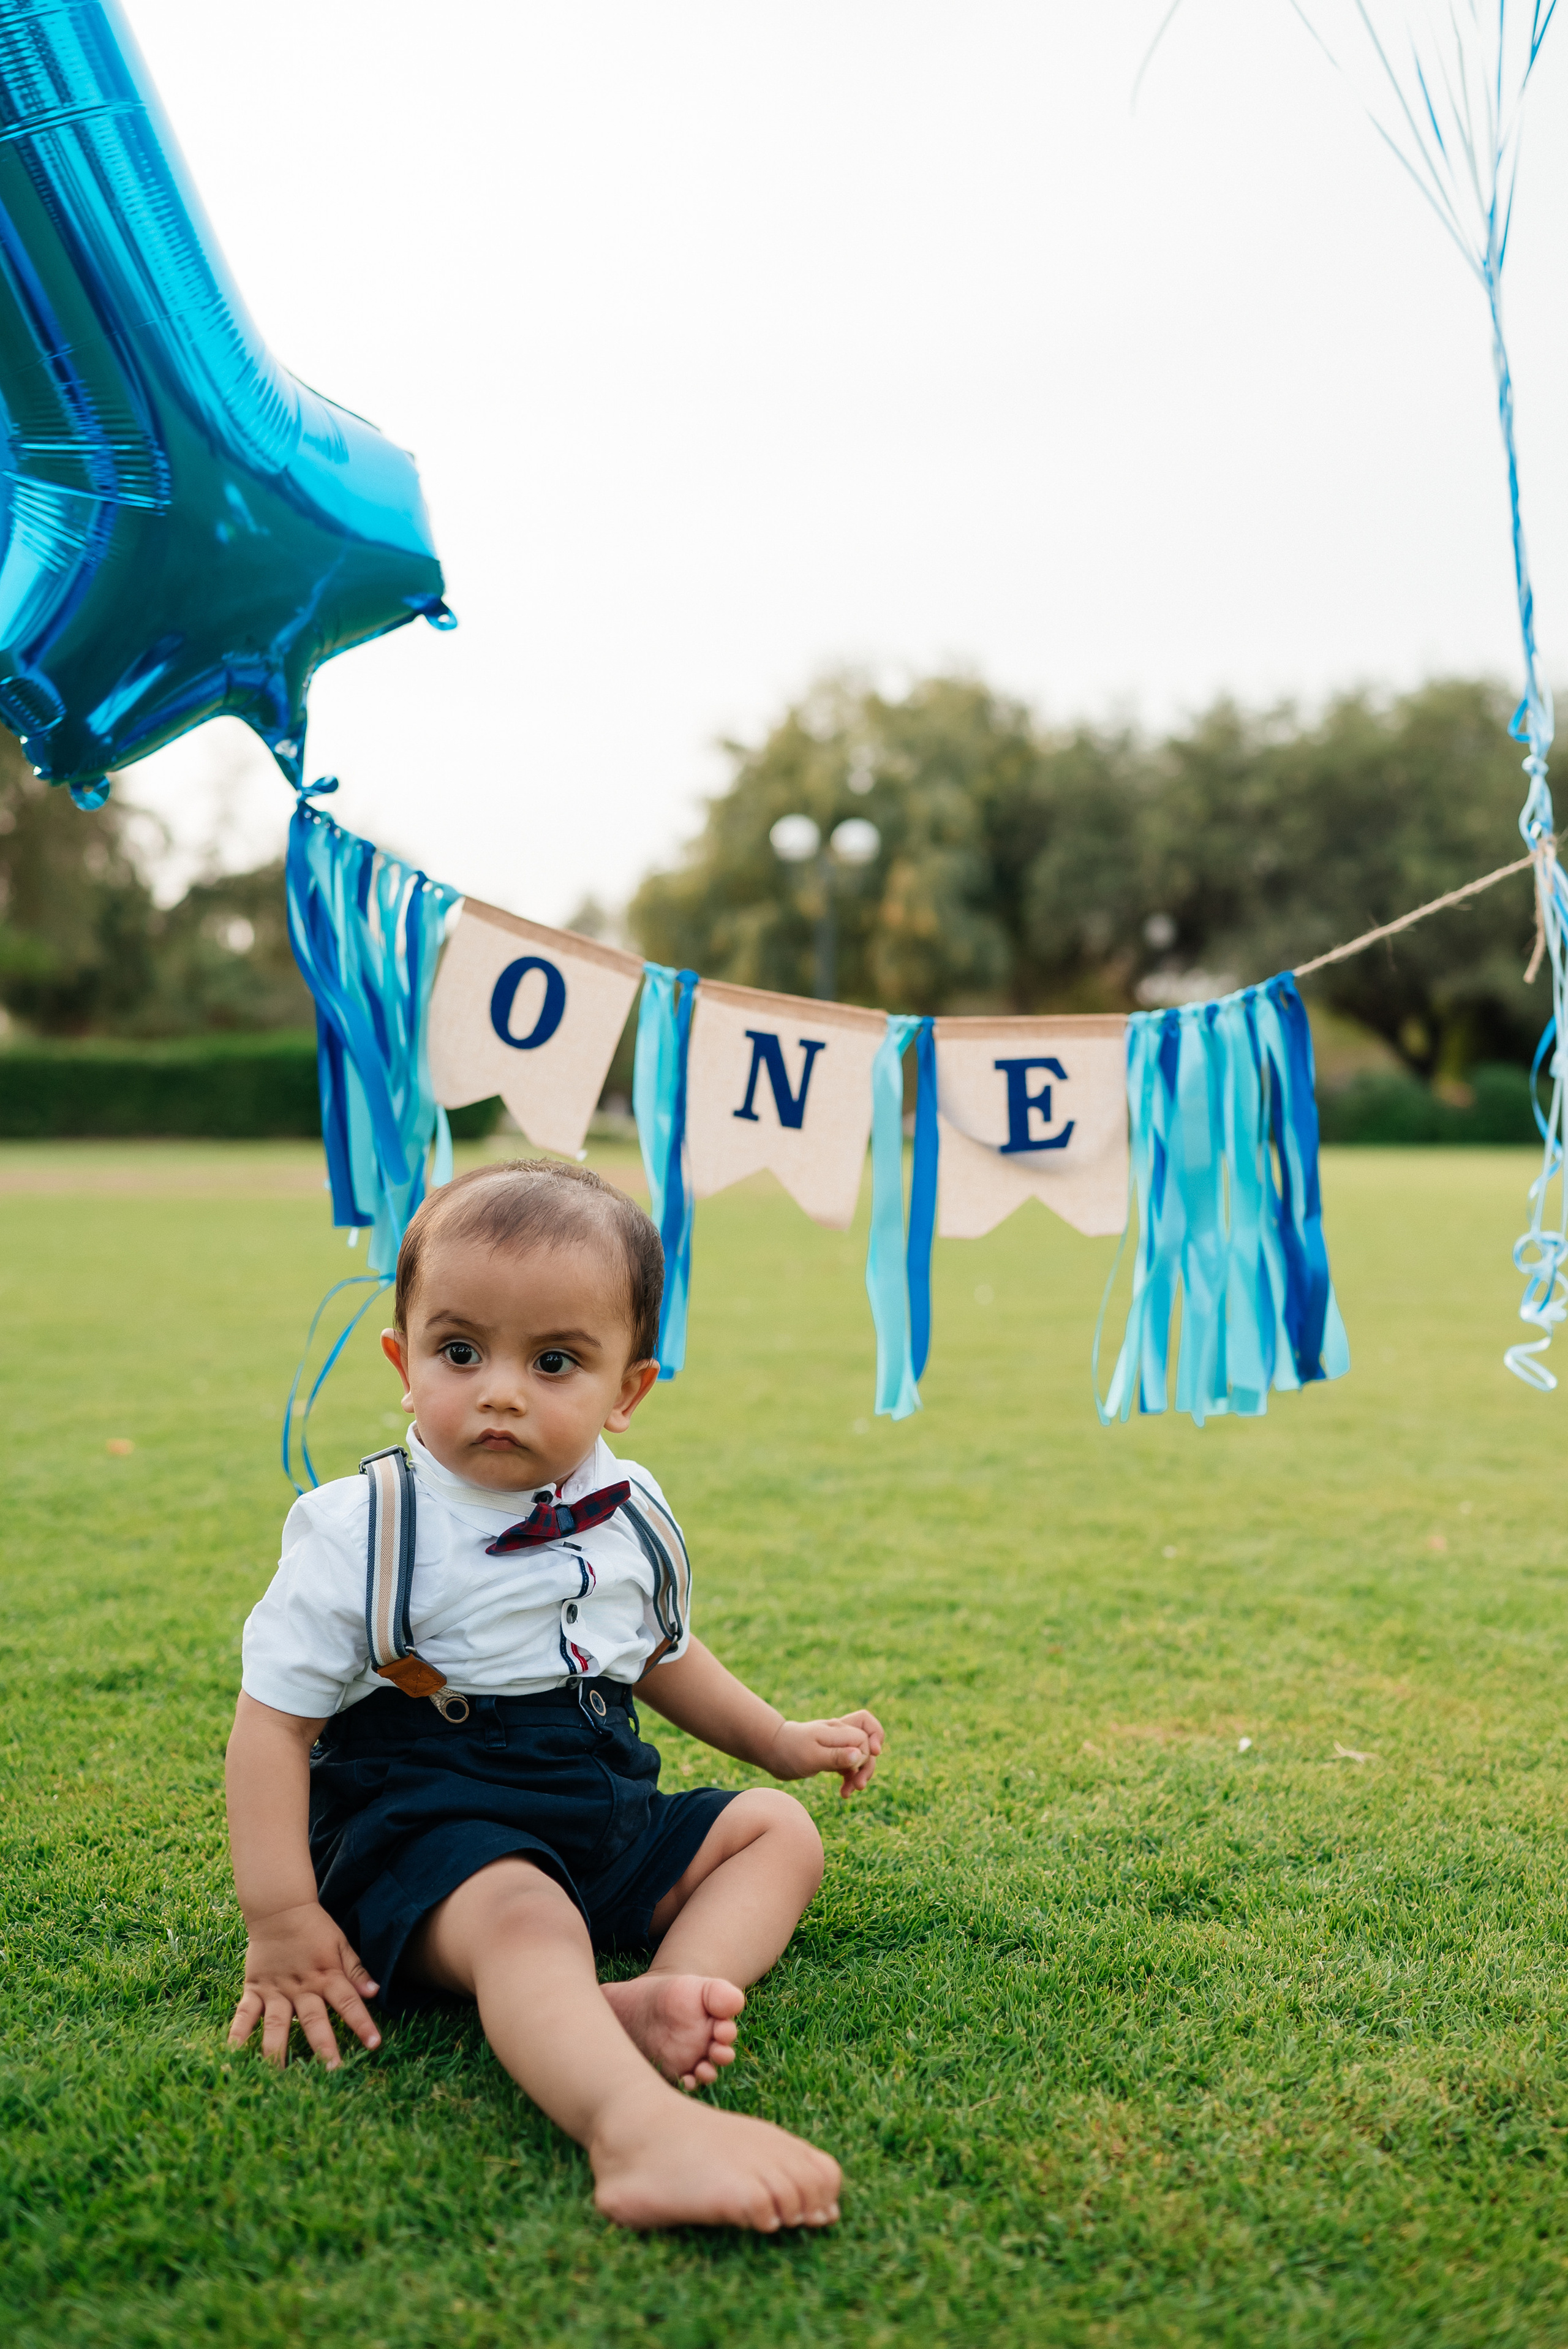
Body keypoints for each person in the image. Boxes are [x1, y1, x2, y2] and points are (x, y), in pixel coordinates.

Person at [225, 1158, 883, 2232]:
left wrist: (775, 1741)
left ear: (629, 1388)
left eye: (556, 1361)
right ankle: (634, 2128)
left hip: (598, 1808)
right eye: (460, 1350)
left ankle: (665, 1994)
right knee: (526, 1917)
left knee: (777, 1834)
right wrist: (283, 1913)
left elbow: (659, 1653)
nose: (500, 1389)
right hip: (432, 1825)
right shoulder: (363, 1526)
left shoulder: (630, 1505)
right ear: (403, 1360)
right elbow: (274, 1724)